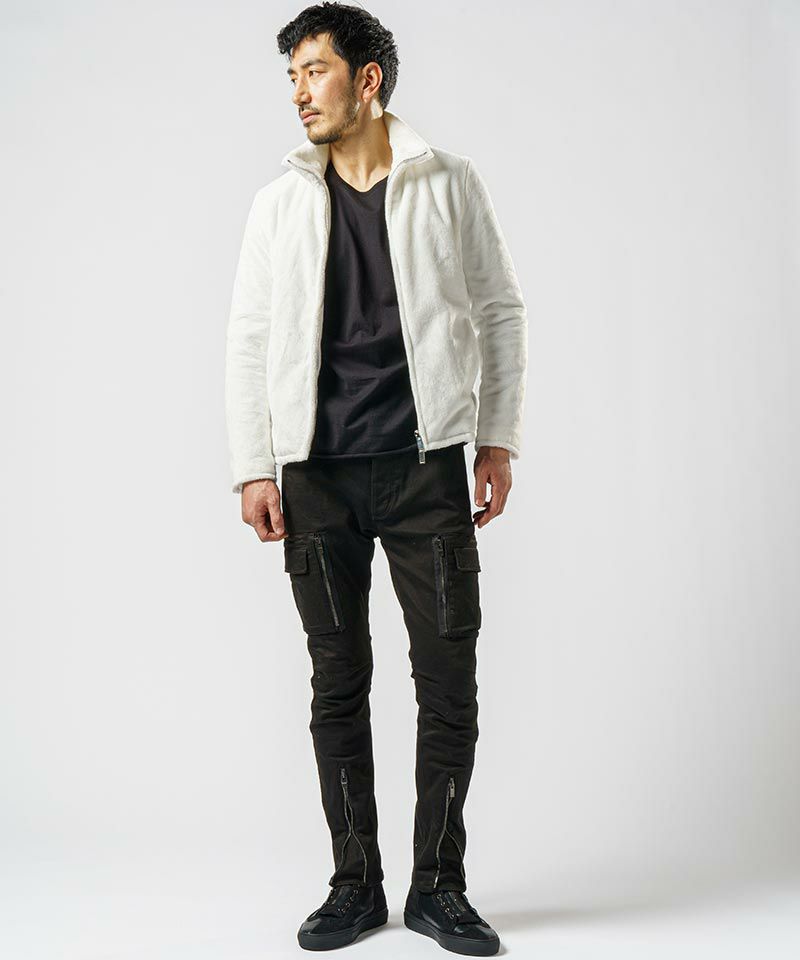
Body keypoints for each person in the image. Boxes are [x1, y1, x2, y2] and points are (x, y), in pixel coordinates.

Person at [225, 3, 527, 954]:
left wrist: (496, 439)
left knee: (449, 682)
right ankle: (354, 885)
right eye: (291, 77)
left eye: (314, 71)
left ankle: (440, 887)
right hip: (316, 477)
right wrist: (253, 466)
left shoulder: (448, 182)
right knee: (336, 683)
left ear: (368, 80)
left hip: (426, 470)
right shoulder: (278, 203)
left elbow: (500, 309)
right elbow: (249, 339)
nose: (299, 92)